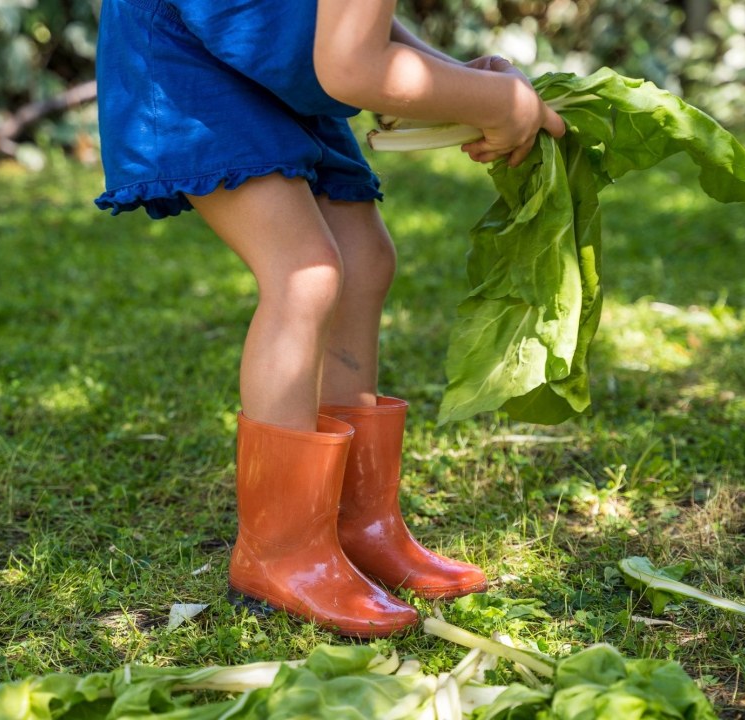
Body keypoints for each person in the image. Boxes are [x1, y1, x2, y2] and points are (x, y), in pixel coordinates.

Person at [94, 0, 566, 637]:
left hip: (269, 56)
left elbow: (353, 27)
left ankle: (358, 523)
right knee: (305, 273)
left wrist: (446, 72)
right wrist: (501, 103)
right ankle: (281, 550)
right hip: (195, 56)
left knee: (364, 259)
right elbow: (352, 66)